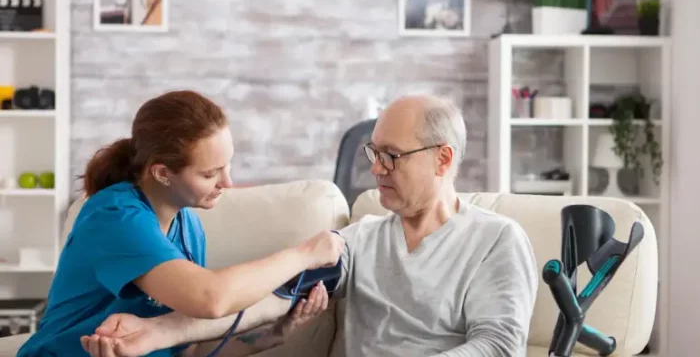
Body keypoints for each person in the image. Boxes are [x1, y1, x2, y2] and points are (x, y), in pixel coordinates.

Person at [82, 93, 539, 356]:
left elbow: (498, 346)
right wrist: (164, 331)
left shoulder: (495, 240)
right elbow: (277, 295)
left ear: (443, 158)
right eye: (373, 153)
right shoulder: (360, 241)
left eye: (391, 156)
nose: (376, 168)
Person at [17, 90, 345, 357]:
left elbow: (189, 350)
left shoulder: (188, 227)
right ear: (162, 173)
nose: (227, 182)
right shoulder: (115, 217)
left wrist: (274, 334)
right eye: (209, 173)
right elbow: (211, 298)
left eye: (227, 166)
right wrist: (305, 254)